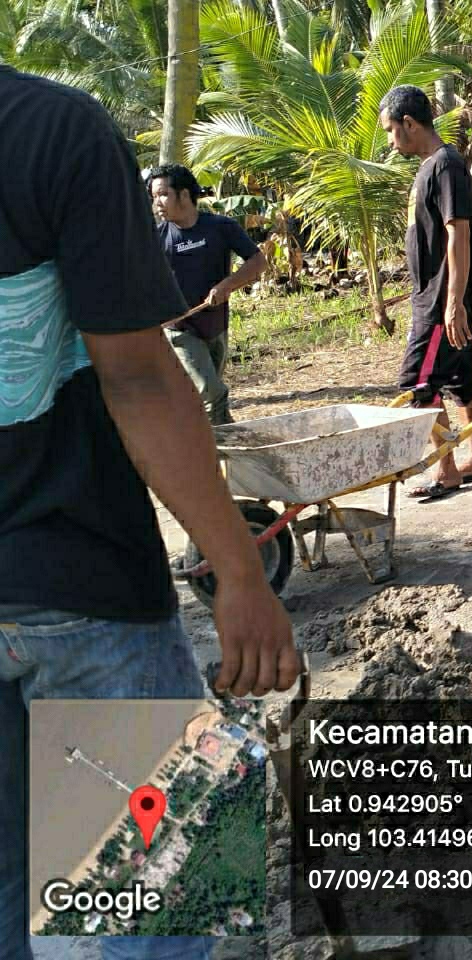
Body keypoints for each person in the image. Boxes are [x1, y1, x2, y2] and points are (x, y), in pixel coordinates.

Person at [0, 66, 300, 960]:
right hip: (81, 588)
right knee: (153, 917)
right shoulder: (52, 130)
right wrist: (240, 572)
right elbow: (136, 374)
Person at [380, 84, 472, 499]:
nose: (391, 142)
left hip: (440, 301)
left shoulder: (444, 166)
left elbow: (458, 234)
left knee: (418, 382)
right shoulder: (434, 166)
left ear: (410, 123)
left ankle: (446, 469)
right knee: (461, 378)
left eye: (392, 131)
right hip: (438, 297)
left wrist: (452, 303)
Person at [148, 162, 268, 426]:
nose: (157, 203)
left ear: (184, 195)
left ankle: (224, 449)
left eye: (163, 194)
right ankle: (223, 454)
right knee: (212, 394)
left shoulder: (220, 227)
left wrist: (227, 285)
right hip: (179, 330)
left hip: (215, 325)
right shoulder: (156, 239)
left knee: (207, 400)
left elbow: (258, 263)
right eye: (154, 196)